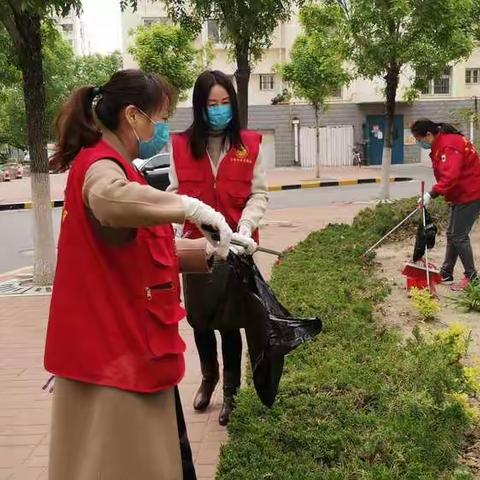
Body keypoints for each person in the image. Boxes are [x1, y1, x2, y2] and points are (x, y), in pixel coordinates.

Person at [44, 69, 253, 480]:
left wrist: (209, 251)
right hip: (116, 356)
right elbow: (108, 198)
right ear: (133, 116)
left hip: (131, 346)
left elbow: (142, 249)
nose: (161, 127)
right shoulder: (102, 166)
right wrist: (190, 208)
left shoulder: (123, 165)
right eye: (159, 117)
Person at [168, 70, 269, 426]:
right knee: (199, 319)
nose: (219, 110)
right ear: (200, 106)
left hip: (237, 248)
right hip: (198, 248)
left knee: (231, 322)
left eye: (225, 103)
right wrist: (168, 228)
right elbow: (176, 194)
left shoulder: (250, 143)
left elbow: (259, 193)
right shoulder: (180, 144)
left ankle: (230, 390)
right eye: (212, 104)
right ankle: (208, 377)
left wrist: (245, 226)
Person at [411, 118, 480, 290]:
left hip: (471, 192)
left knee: (459, 236)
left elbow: (450, 177)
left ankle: (472, 278)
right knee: (452, 234)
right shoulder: (444, 140)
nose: (419, 143)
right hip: (461, 193)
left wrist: (431, 194)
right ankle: (447, 272)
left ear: (428, 135)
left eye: (419, 140)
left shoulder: (449, 145)